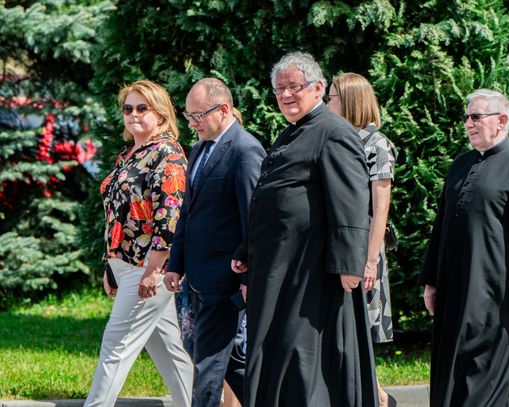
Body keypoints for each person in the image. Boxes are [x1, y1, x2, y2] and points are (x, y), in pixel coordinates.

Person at [231, 52, 378, 406]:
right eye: (279, 89)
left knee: (305, 356)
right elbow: (270, 200)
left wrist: (350, 263)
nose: (285, 95)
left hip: (312, 272)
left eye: (294, 87)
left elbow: (352, 200)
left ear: (318, 87)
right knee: (280, 352)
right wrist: (246, 250)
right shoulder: (291, 133)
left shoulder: (334, 132)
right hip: (282, 267)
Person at [419, 89, 509, 406]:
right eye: (466, 117)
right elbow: (441, 226)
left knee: (490, 375)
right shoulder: (461, 164)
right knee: (455, 367)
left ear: (501, 120)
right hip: (455, 290)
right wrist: (431, 281)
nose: (468, 124)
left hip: (495, 297)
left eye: (476, 117)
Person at [84, 80, 194, 407]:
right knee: (171, 352)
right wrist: (111, 264)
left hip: (147, 267)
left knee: (115, 347)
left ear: (160, 114)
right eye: (128, 108)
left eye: (142, 108)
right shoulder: (130, 154)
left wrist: (153, 270)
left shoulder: (167, 154)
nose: (133, 114)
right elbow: (117, 215)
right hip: (126, 265)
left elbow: (170, 216)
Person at [164, 78, 265, 407]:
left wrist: (248, 276)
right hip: (197, 275)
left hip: (226, 278)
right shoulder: (198, 150)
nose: (192, 123)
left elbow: (254, 220)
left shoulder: (245, 150)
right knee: (230, 362)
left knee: (207, 364)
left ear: (223, 109)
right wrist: (175, 264)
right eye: (188, 115)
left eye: (199, 115)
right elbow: (188, 213)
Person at [327, 72, 398, 407]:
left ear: (350, 101)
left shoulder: (376, 144)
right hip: (339, 247)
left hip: (364, 249)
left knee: (362, 331)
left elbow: (380, 209)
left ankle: (379, 399)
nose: (326, 103)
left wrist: (369, 261)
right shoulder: (338, 138)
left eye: (331, 97)